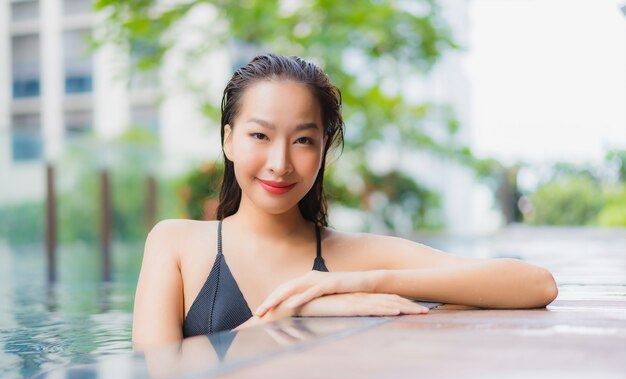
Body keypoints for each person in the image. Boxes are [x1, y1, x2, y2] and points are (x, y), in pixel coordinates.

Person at [132, 53, 558, 351]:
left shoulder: (354, 257)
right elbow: (152, 378)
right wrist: (296, 310)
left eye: (303, 140)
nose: (280, 163)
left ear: (324, 149)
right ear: (228, 139)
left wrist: (360, 282)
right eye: (260, 135)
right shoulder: (176, 244)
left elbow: (535, 284)